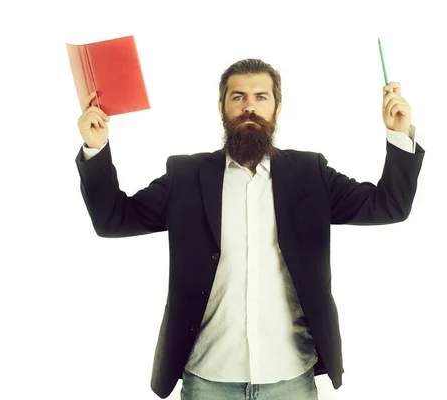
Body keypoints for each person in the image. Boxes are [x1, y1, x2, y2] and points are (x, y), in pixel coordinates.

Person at [75, 59, 425, 399]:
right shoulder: (186, 176)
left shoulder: (310, 173)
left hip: (289, 378)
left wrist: (398, 134)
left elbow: (388, 206)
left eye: (261, 97)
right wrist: (96, 147)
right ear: (221, 108)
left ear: (277, 108)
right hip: (209, 379)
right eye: (238, 97)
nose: (249, 108)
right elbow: (113, 220)